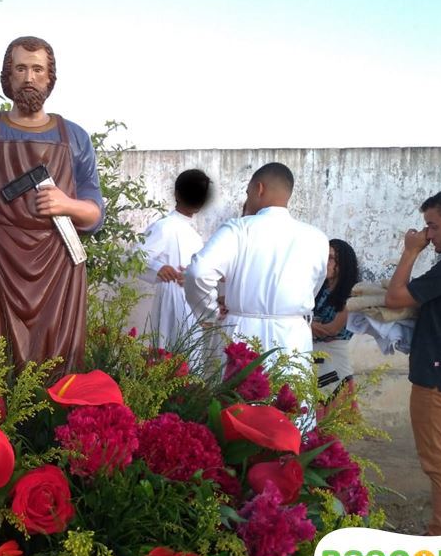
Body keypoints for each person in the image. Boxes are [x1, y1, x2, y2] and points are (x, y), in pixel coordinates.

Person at [0, 36, 104, 371]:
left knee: (58, 361)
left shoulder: (75, 137)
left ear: (50, 78)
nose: (29, 77)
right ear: (8, 75)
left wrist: (67, 205)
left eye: (38, 69)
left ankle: (53, 422)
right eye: (21, 68)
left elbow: (94, 211)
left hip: (58, 265)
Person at [384, 187, 441, 535]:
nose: (428, 235)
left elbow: (395, 297)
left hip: (438, 378)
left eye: (433, 226)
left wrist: (410, 252)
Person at [184, 162, 328, 363]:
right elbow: (315, 284)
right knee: (290, 392)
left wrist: (210, 314)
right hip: (292, 336)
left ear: (259, 188)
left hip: (243, 334)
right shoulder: (317, 238)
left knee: (243, 391)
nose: (247, 198)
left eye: (247, 191)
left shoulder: (238, 229)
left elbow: (197, 272)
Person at [140, 169, 210, 349]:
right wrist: (158, 267)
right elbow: (135, 256)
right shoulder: (164, 227)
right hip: (172, 299)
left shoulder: (193, 233)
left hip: (191, 302)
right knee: (168, 352)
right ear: (177, 194)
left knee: (191, 358)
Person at [312, 239, 360, 398]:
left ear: (343, 263)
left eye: (331, 258)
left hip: (336, 357)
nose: (326, 263)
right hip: (314, 356)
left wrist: (305, 324)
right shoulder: (319, 289)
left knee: (333, 408)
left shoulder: (353, 294)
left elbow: (331, 329)